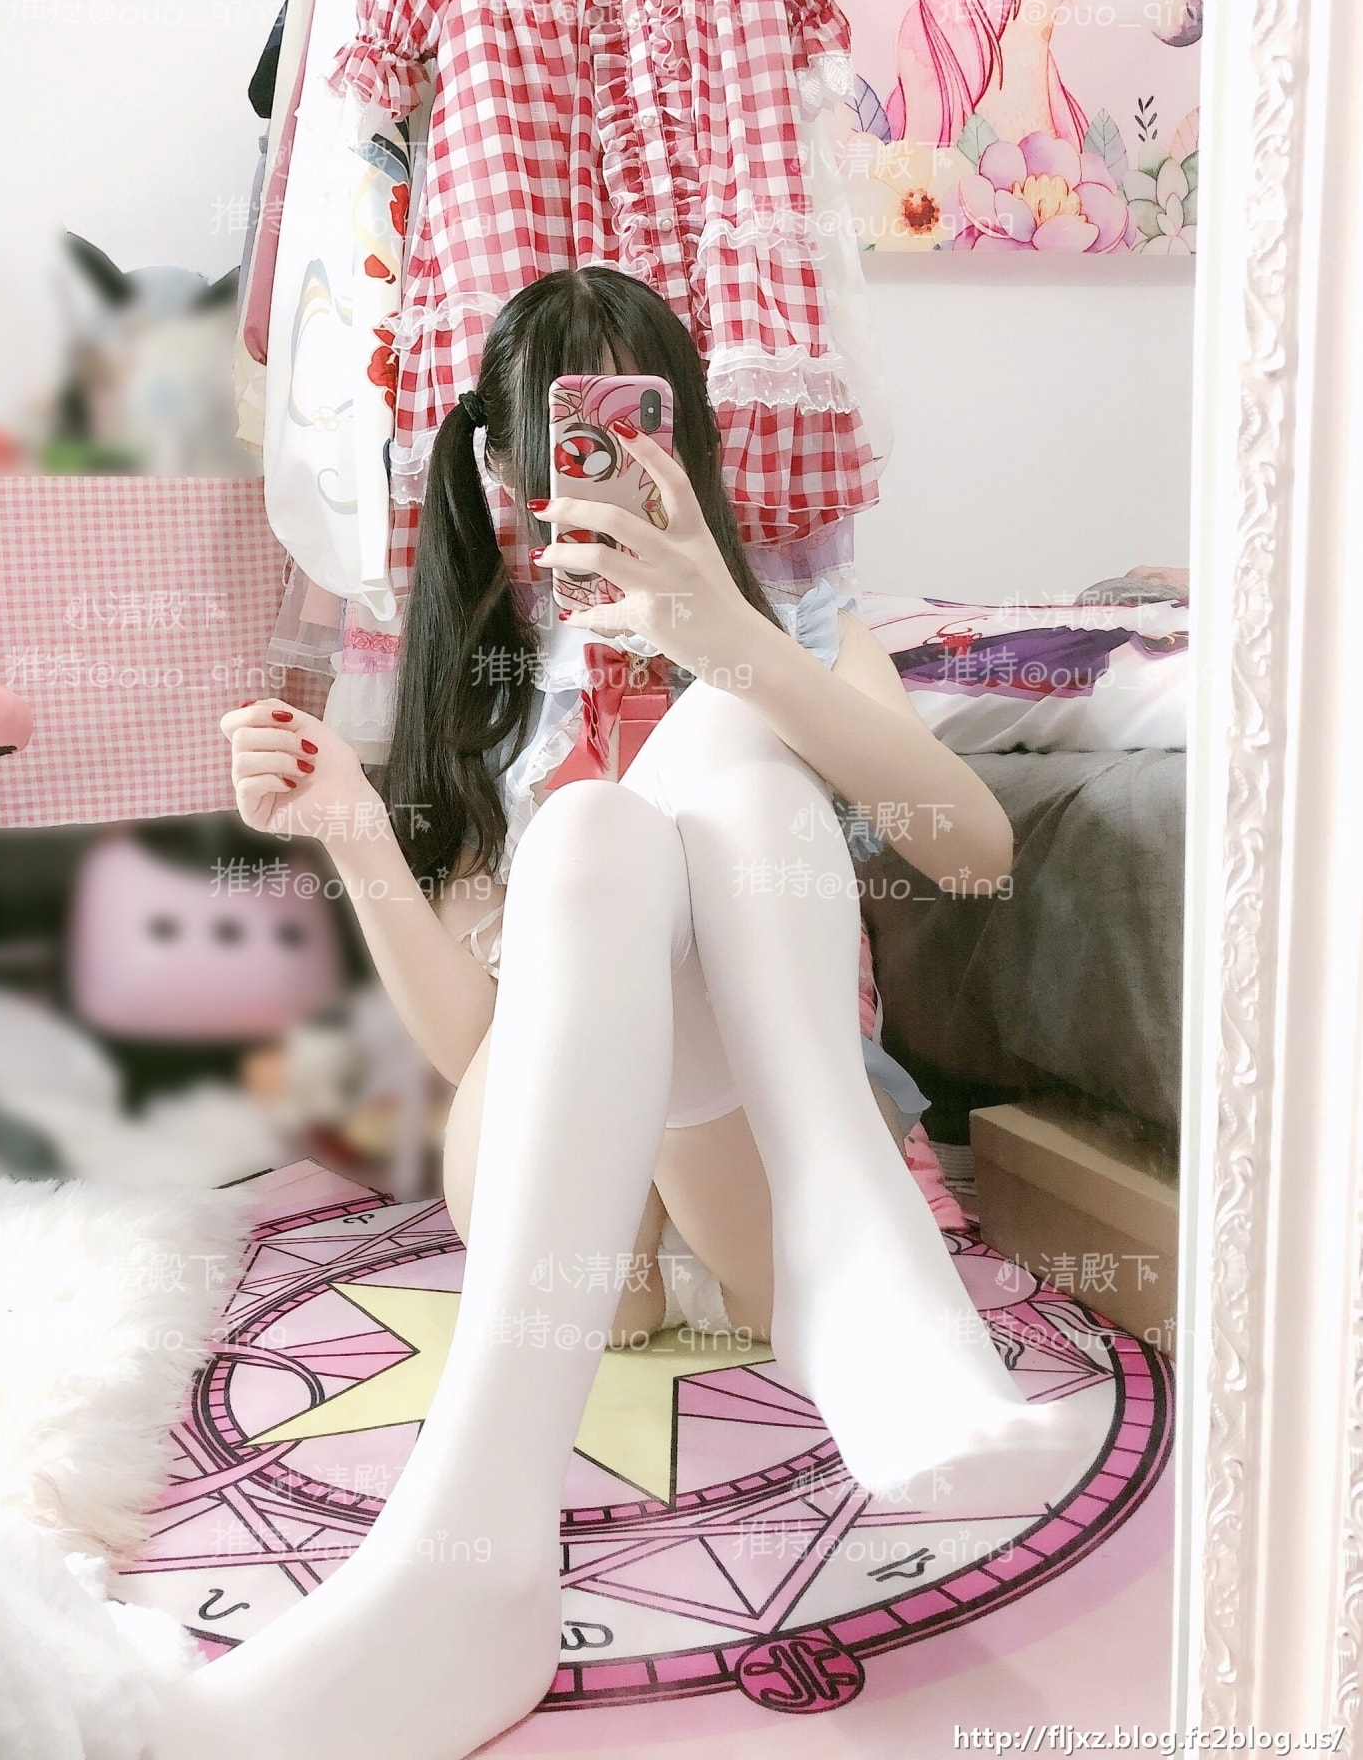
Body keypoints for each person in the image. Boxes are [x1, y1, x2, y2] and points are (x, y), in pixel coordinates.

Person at [154, 267, 1101, 1760]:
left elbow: (973, 849)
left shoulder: (799, 621)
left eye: (636, 420)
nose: (602, 461)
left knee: (708, 739)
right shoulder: (483, 688)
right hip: (551, 1193)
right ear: (502, 463)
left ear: (689, 436)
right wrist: (348, 825)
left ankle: (481, 1560)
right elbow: (477, 1045)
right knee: (592, 829)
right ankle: (858, 1276)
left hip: (734, 1177)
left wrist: (732, 642)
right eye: (567, 432)